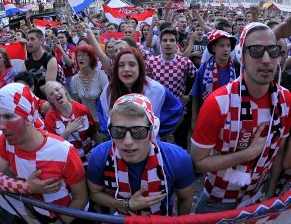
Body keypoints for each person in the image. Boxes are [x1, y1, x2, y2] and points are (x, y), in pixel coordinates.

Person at [191, 23, 291, 213]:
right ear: (241, 56)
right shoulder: (218, 103)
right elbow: (197, 163)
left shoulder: (285, 100)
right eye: (256, 51)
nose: (267, 60)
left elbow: (279, 154)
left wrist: (269, 195)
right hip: (217, 203)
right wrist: (247, 154)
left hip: (258, 199)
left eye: (273, 50)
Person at [0, 83, 88, 223]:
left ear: (28, 118)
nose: (0, 126)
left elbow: (81, 199)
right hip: (39, 215)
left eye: (9, 116)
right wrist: (27, 187)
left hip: (73, 219)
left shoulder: (64, 151)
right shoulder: (5, 142)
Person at [87, 94, 195, 216]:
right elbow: (95, 193)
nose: (128, 141)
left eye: (138, 131)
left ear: (152, 131)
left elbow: (185, 199)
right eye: (118, 130)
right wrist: (126, 204)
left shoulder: (178, 159)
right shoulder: (99, 156)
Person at [97, 47, 183, 138]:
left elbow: (176, 110)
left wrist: (157, 133)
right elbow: (104, 120)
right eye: (121, 65)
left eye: (132, 64)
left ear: (140, 67)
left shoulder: (156, 89)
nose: (126, 69)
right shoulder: (108, 91)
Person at [191, 30, 238, 128]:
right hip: (208, 114)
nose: (225, 49)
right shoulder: (204, 69)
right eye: (221, 46)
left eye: (228, 46)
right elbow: (196, 94)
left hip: (230, 116)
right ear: (213, 48)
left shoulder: (237, 68)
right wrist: (194, 119)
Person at [44, 81, 97, 166]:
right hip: (72, 162)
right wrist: (67, 132)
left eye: (57, 89)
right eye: (51, 94)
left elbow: (94, 133)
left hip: (91, 155)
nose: (56, 94)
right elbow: (53, 147)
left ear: (64, 90)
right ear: (50, 100)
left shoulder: (82, 109)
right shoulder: (50, 119)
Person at [71, 45, 109, 122]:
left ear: (91, 58)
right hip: (85, 120)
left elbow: (108, 100)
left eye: (85, 55)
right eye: (78, 55)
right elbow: (77, 104)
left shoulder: (101, 76)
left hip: (102, 119)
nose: (81, 58)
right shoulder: (75, 79)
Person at [22, 28, 58, 99]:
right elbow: (24, 85)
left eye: (32, 39)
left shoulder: (50, 60)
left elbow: (49, 87)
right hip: (32, 103)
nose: (29, 42)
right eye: (28, 39)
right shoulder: (26, 63)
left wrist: (32, 90)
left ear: (41, 41)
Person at [53, 29, 77, 94]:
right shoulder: (56, 49)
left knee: (73, 98)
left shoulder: (72, 47)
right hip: (61, 79)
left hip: (71, 78)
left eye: (62, 37)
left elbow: (70, 63)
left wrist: (61, 50)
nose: (60, 39)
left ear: (66, 38)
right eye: (58, 38)